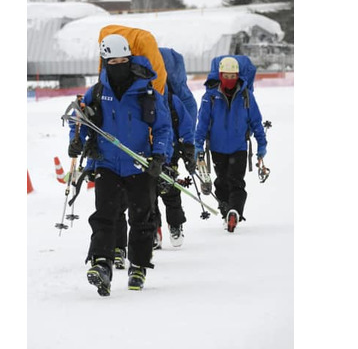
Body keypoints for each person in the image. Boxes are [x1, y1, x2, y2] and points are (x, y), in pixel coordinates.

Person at [68, 33, 172, 296]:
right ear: (104, 62)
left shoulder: (146, 90)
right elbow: (78, 118)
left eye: (123, 60)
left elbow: (163, 127)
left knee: (142, 217)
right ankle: (101, 264)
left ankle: (138, 265)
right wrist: (76, 140)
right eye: (112, 62)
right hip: (106, 163)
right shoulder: (98, 92)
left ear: (130, 58)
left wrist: (159, 156)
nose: (118, 66)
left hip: (140, 163)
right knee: (105, 215)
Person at [194, 56, 268, 233]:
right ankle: (227, 211)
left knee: (236, 182)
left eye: (233, 76)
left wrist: (262, 145)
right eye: (225, 76)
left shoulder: (246, 96)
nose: (229, 80)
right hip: (217, 149)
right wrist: (198, 145)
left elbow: (256, 122)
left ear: (238, 75)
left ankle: (234, 210)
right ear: (220, 75)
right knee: (221, 183)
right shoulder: (210, 97)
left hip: (239, 149)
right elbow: (202, 123)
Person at [151, 87, 196, 249]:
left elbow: (186, 125)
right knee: (148, 196)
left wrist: (189, 148)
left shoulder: (171, 100)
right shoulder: (138, 97)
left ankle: (175, 224)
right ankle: (153, 229)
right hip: (146, 156)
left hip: (170, 154)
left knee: (170, 192)